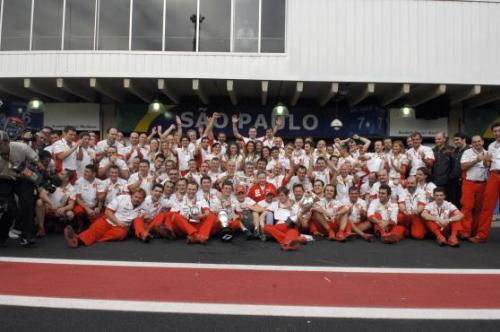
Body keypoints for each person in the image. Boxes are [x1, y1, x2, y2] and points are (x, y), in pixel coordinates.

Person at [0, 130, 42, 246]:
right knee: (8, 208)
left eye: (0, 144)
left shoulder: (22, 147)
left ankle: (28, 236)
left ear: (7, 142)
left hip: (22, 177)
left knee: (27, 204)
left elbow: (37, 161)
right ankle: (2, 235)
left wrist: (37, 169)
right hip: (3, 179)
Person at [64, 189, 146, 248]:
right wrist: (118, 222)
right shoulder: (122, 198)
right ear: (132, 196)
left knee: (120, 234)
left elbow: (140, 221)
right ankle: (77, 241)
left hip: (121, 228)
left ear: (143, 199)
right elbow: (108, 212)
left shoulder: (144, 207)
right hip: (109, 220)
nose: (137, 199)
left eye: (140, 198)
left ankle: (81, 237)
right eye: (136, 197)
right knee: (95, 230)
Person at [474, 122, 500, 243]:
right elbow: (488, 163)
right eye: (495, 131)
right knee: (487, 206)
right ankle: (481, 235)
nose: (497, 133)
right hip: (494, 175)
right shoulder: (491, 146)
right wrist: (485, 161)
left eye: (499, 130)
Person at [459, 135, 488, 239]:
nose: (477, 143)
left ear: (483, 142)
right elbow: (463, 167)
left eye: (479, 141)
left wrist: (486, 162)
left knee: (478, 209)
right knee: (467, 208)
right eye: (474, 142)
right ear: (472, 143)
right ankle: (465, 231)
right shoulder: (467, 152)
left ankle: (475, 231)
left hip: (483, 184)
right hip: (469, 183)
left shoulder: (488, 153)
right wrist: (476, 160)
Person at [449, 132, 468, 208]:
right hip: (454, 181)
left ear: (464, 140)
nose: (456, 142)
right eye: (454, 140)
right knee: (455, 202)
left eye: (457, 140)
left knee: (464, 202)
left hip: (465, 180)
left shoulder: (469, 150)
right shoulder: (454, 151)